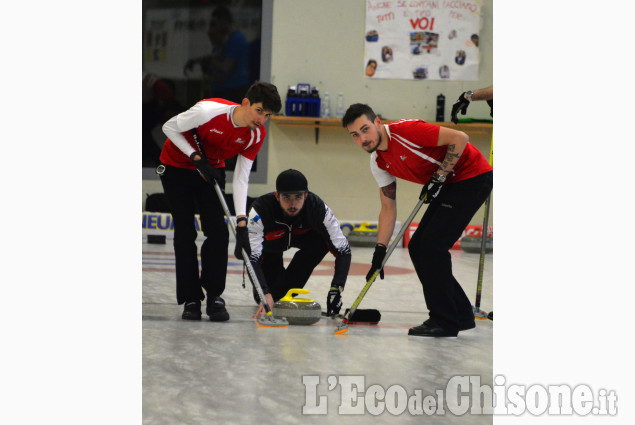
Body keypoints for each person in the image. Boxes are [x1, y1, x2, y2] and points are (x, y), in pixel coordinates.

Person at [342, 104, 493, 337]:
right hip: (449, 184)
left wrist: (440, 175)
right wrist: (379, 251)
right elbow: (388, 207)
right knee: (417, 245)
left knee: (433, 246)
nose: (362, 138)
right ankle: (461, 314)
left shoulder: (406, 131)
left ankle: (444, 320)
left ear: (378, 123)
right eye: (355, 135)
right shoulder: (378, 162)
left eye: (365, 129)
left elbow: (460, 138)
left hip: (472, 176)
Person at [157, 81, 282, 321]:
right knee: (185, 234)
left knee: (219, 233)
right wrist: (193, 156)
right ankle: (191, 298)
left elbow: (242, 177)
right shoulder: (207, 112)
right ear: (245, 103)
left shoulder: (256, 133)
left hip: (211, 170)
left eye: (267, 115)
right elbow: (169, 127)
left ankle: (214, 295)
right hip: (176, 167)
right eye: (259, 111)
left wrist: (242, 221)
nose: (262, 119)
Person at [235, 169, 352, 319]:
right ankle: (269, 290)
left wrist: (336, 288)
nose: (293, 204)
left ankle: (280, 289)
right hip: (271, 247)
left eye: (298, 197)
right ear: (277, 196)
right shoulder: (260, 210)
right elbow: (252, 258)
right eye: (286, 197)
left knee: (321, 243)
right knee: (264, 298)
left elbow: (343, 250)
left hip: (306, 241)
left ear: (306, 195)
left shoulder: (318, 208)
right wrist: (264, 292)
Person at [184, 6, 250, 103]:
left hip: (236, 89)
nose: (217, 25)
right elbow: (217, 55)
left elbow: (225, 67)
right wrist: (195, 61)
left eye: (217, 22)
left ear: (223, 21)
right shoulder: (231, 39)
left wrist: (209, 62)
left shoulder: (237, 39)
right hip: (230, 88)